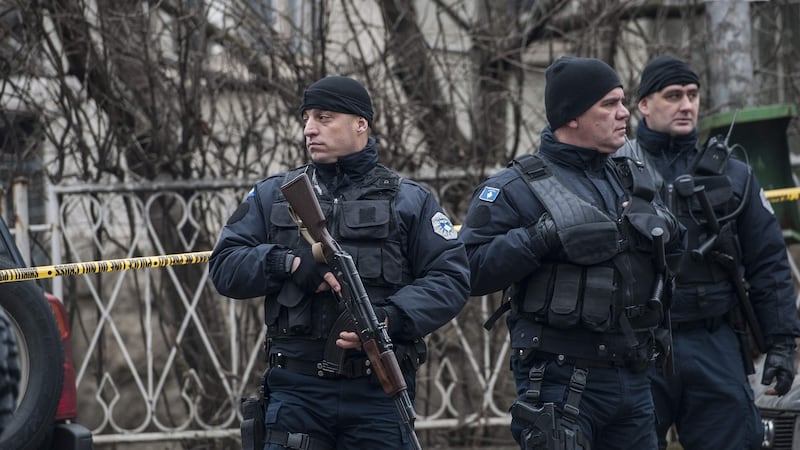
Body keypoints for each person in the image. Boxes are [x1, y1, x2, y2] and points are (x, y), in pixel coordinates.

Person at [208, 75, 470, 449]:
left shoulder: (409, 200)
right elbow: (225, 266)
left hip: (376, 392)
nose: (310, 130)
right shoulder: (275, 195)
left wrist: (390, 319)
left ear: (360, 123)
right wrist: (289, 264)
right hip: (297, 393)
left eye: (324, 117)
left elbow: (450, 278)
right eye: (306, 119)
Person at [458, 56, 684, 449]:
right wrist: (538, 238)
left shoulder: (631, 175)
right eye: (609, 104)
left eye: (622, 101)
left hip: (633, 377)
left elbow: (675, 258)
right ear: (573, 115)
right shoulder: (516, 187)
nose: (624, 113)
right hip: (560, 383)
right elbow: (468, 269)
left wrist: (665, 228)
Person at [617, 55, 800, 449]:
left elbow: (768, 260)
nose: (686, 105)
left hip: (713, 340)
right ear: (644, 105)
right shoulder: (616, 171)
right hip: (636, 343)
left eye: (693, 95)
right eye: (673, 95)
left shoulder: (732, 174)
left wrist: (782, 342)